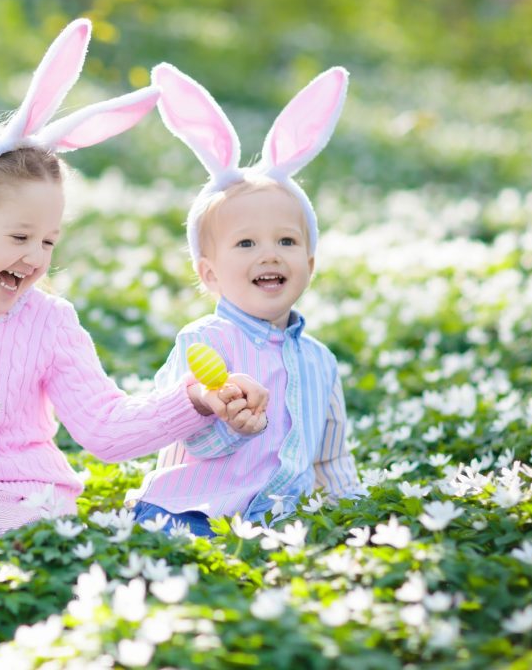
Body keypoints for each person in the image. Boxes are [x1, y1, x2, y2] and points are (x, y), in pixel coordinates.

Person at [0, 19, 269, 539]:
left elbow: (105, 427)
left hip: (21, 498)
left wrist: (197, 398)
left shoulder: (47, 322)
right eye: (19, 238)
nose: (35, 258)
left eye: (48, 241)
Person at [130, 63, 366, 537]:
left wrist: (356, 515)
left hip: (278, 522)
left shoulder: (320, 361)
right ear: (209, 273)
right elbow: (182, 433)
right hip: (188, 511)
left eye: (286, 242)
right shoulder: (202, 342)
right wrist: (227, 423)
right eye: (246, 244)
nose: (268, 255)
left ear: (310, 262)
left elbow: (332, 455)